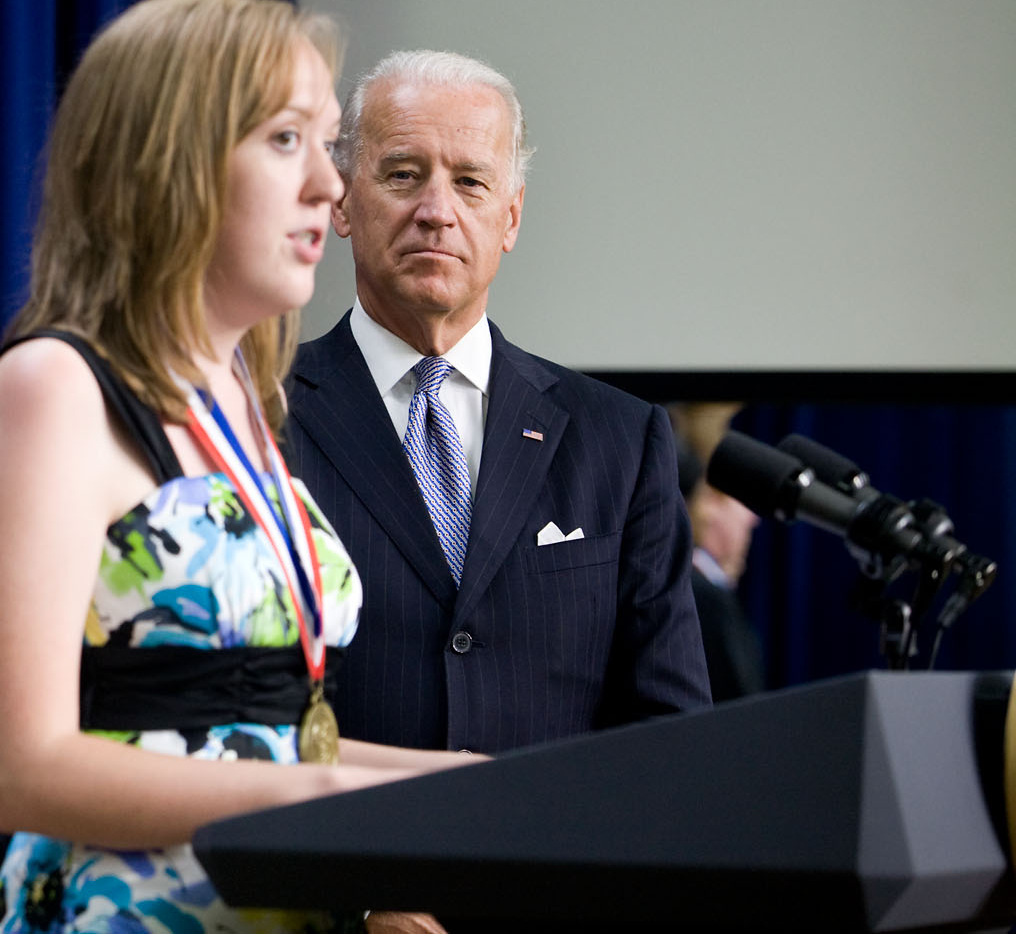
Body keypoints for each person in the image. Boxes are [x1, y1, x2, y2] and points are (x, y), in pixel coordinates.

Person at [0, 0, 472, 934]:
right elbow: (22, 770)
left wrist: (489, 788)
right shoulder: (57, 387)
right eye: (286, 140)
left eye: (328, 143)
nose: (329, 184)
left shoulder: (245, 398)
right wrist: (337, 799)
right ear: (168, 159)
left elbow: (263, 738)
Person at [284, 50, 710, 756]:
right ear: (343, 203)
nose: (436, 212)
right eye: (403, 174)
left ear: (510, 218)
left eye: (470, 182)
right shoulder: (257, 413)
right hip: (330, 826)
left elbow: (670, 731)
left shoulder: (621, 439)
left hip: (553, 832)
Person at [679, 430, 765, 701]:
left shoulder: (699, 589)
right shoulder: (704, 598)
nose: (752, 518)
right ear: (709, 504)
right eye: (743, 501)